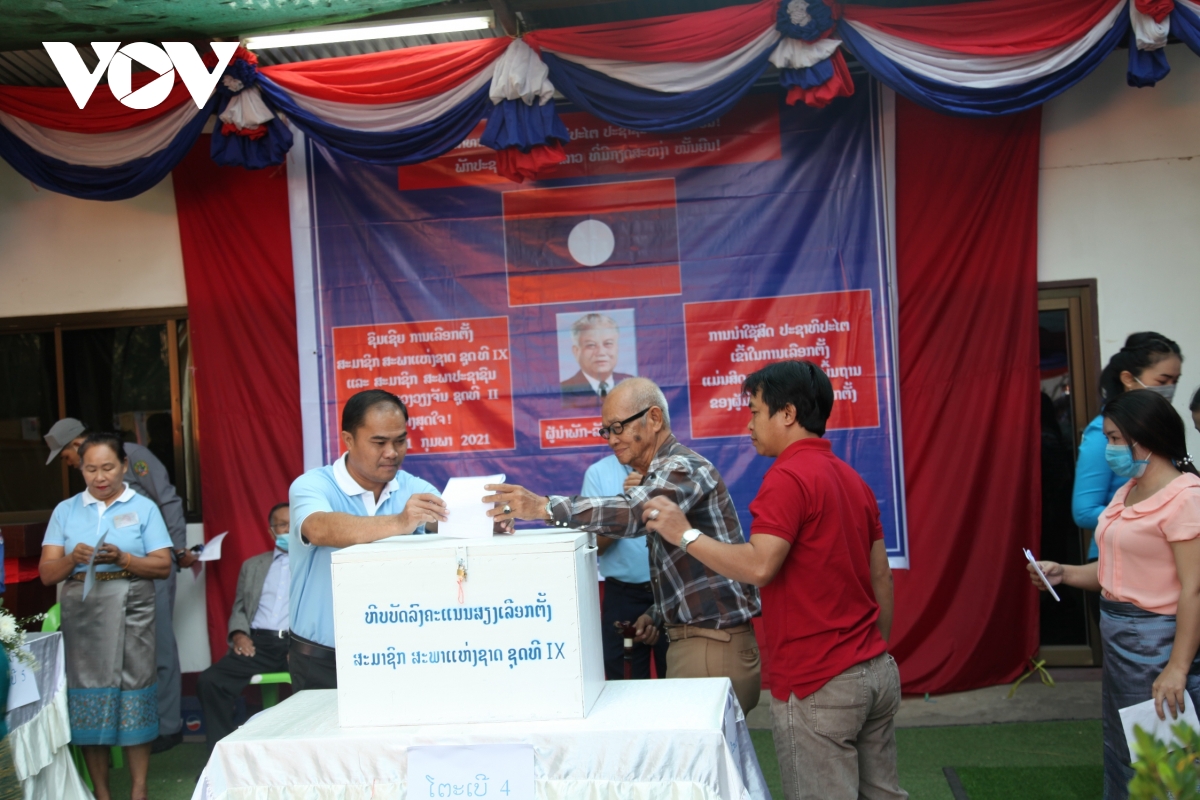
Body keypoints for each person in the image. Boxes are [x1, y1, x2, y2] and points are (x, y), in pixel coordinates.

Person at [641, 361, 904, 800]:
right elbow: (883, 577)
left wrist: (684, 534)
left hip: (819, 678)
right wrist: (872, 652)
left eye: (755, 412)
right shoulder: (852, 479)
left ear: (787, 414)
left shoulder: (787, 477)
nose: (749, 425)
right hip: (875, 671)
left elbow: (760, 566)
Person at [487, 377, 763, 712]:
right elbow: (692, 571)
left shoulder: (682, 467)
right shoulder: (661, 472)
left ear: (655, 418)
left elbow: (635, 513)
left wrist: (543, 506)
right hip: (698, 640)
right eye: (606, 431)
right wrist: (656, 613)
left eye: (618, 427)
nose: (612, 439)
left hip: (710, 645)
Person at [1030, 390, 1200, 800]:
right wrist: (1064, 573)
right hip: (1122, 642)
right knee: (1127, 747)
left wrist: (1177, 667)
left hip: (1158, 643)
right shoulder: (1128, 490)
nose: (1109, 448)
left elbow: (1194, 589)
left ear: (1148, 437)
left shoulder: (1186, 497)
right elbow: (1115, 571)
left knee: (1164, 758)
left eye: (1115, 439)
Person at [44, 416, 195, 752]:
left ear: (75, 444)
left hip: (148, 568)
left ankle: (167, 725)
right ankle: (119, 730)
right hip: (99, 585)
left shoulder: (133, 455)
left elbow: (167, 500)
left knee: (157, 647)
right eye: (87, 467)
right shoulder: (71, 507)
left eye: (66, 456)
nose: (70, 465)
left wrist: (176, 549)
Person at [38, 432, 172, 800]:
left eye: (108, 468)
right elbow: (47, 573)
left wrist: (124, 558)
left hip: (133, 604)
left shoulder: (143, 507)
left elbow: (162, 566)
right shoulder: (66, 511)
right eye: (91, 469)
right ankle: (101, 792)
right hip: (83, 609)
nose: (100, 477)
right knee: (88, 695)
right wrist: (72, 558)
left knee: (135, 690)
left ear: (124, 466)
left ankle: (139, 789)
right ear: (80, 469)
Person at [288, 390, 447, 691]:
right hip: (323, 660)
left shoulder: (414, 488)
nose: (392, 452)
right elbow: (318, 528)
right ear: (348, 440)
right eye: (379, 442)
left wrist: (489, 522)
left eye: (400, 441)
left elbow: (447, 521)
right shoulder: (313, 485)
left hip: (398, 656)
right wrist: (400, 522)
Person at [1074, 333, 1182, 561]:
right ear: (1128, 379)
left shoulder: (1164, 426)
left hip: (1161, 555)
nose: (1170, 389)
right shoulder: (1101, 432)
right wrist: (1152, 517)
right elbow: (1084, 511)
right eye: (1162, 381)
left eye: (1175, 381)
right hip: (1117, 556)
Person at [196, 502, 292, 751]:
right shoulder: (253, 566)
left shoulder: (315, 563)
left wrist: (303, 644)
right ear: (271, 531)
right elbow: (240, 608)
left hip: (298, 644)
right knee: (210, 681)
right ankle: (223, 754)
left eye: (294, 524)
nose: (288, 530)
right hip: (259, 645)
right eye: (282, 525)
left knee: (325, 682)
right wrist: (239, 634)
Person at [582, 454, 667, 680]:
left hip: (672, 592)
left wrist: (652, 495)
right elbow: (596, 546)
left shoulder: (676, 469)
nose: (615, 439)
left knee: (680, 686)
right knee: (625, 686)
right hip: (622, 597)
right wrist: (629, 505)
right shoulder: (598, 473)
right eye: (609, 435)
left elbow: (693, 533)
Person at [561, 313, 635, 408]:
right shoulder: (563, 390)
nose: (601, 352)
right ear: (576, 351)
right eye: (591, 345)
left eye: (608, 343)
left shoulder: (631, 384)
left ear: (617, 347)